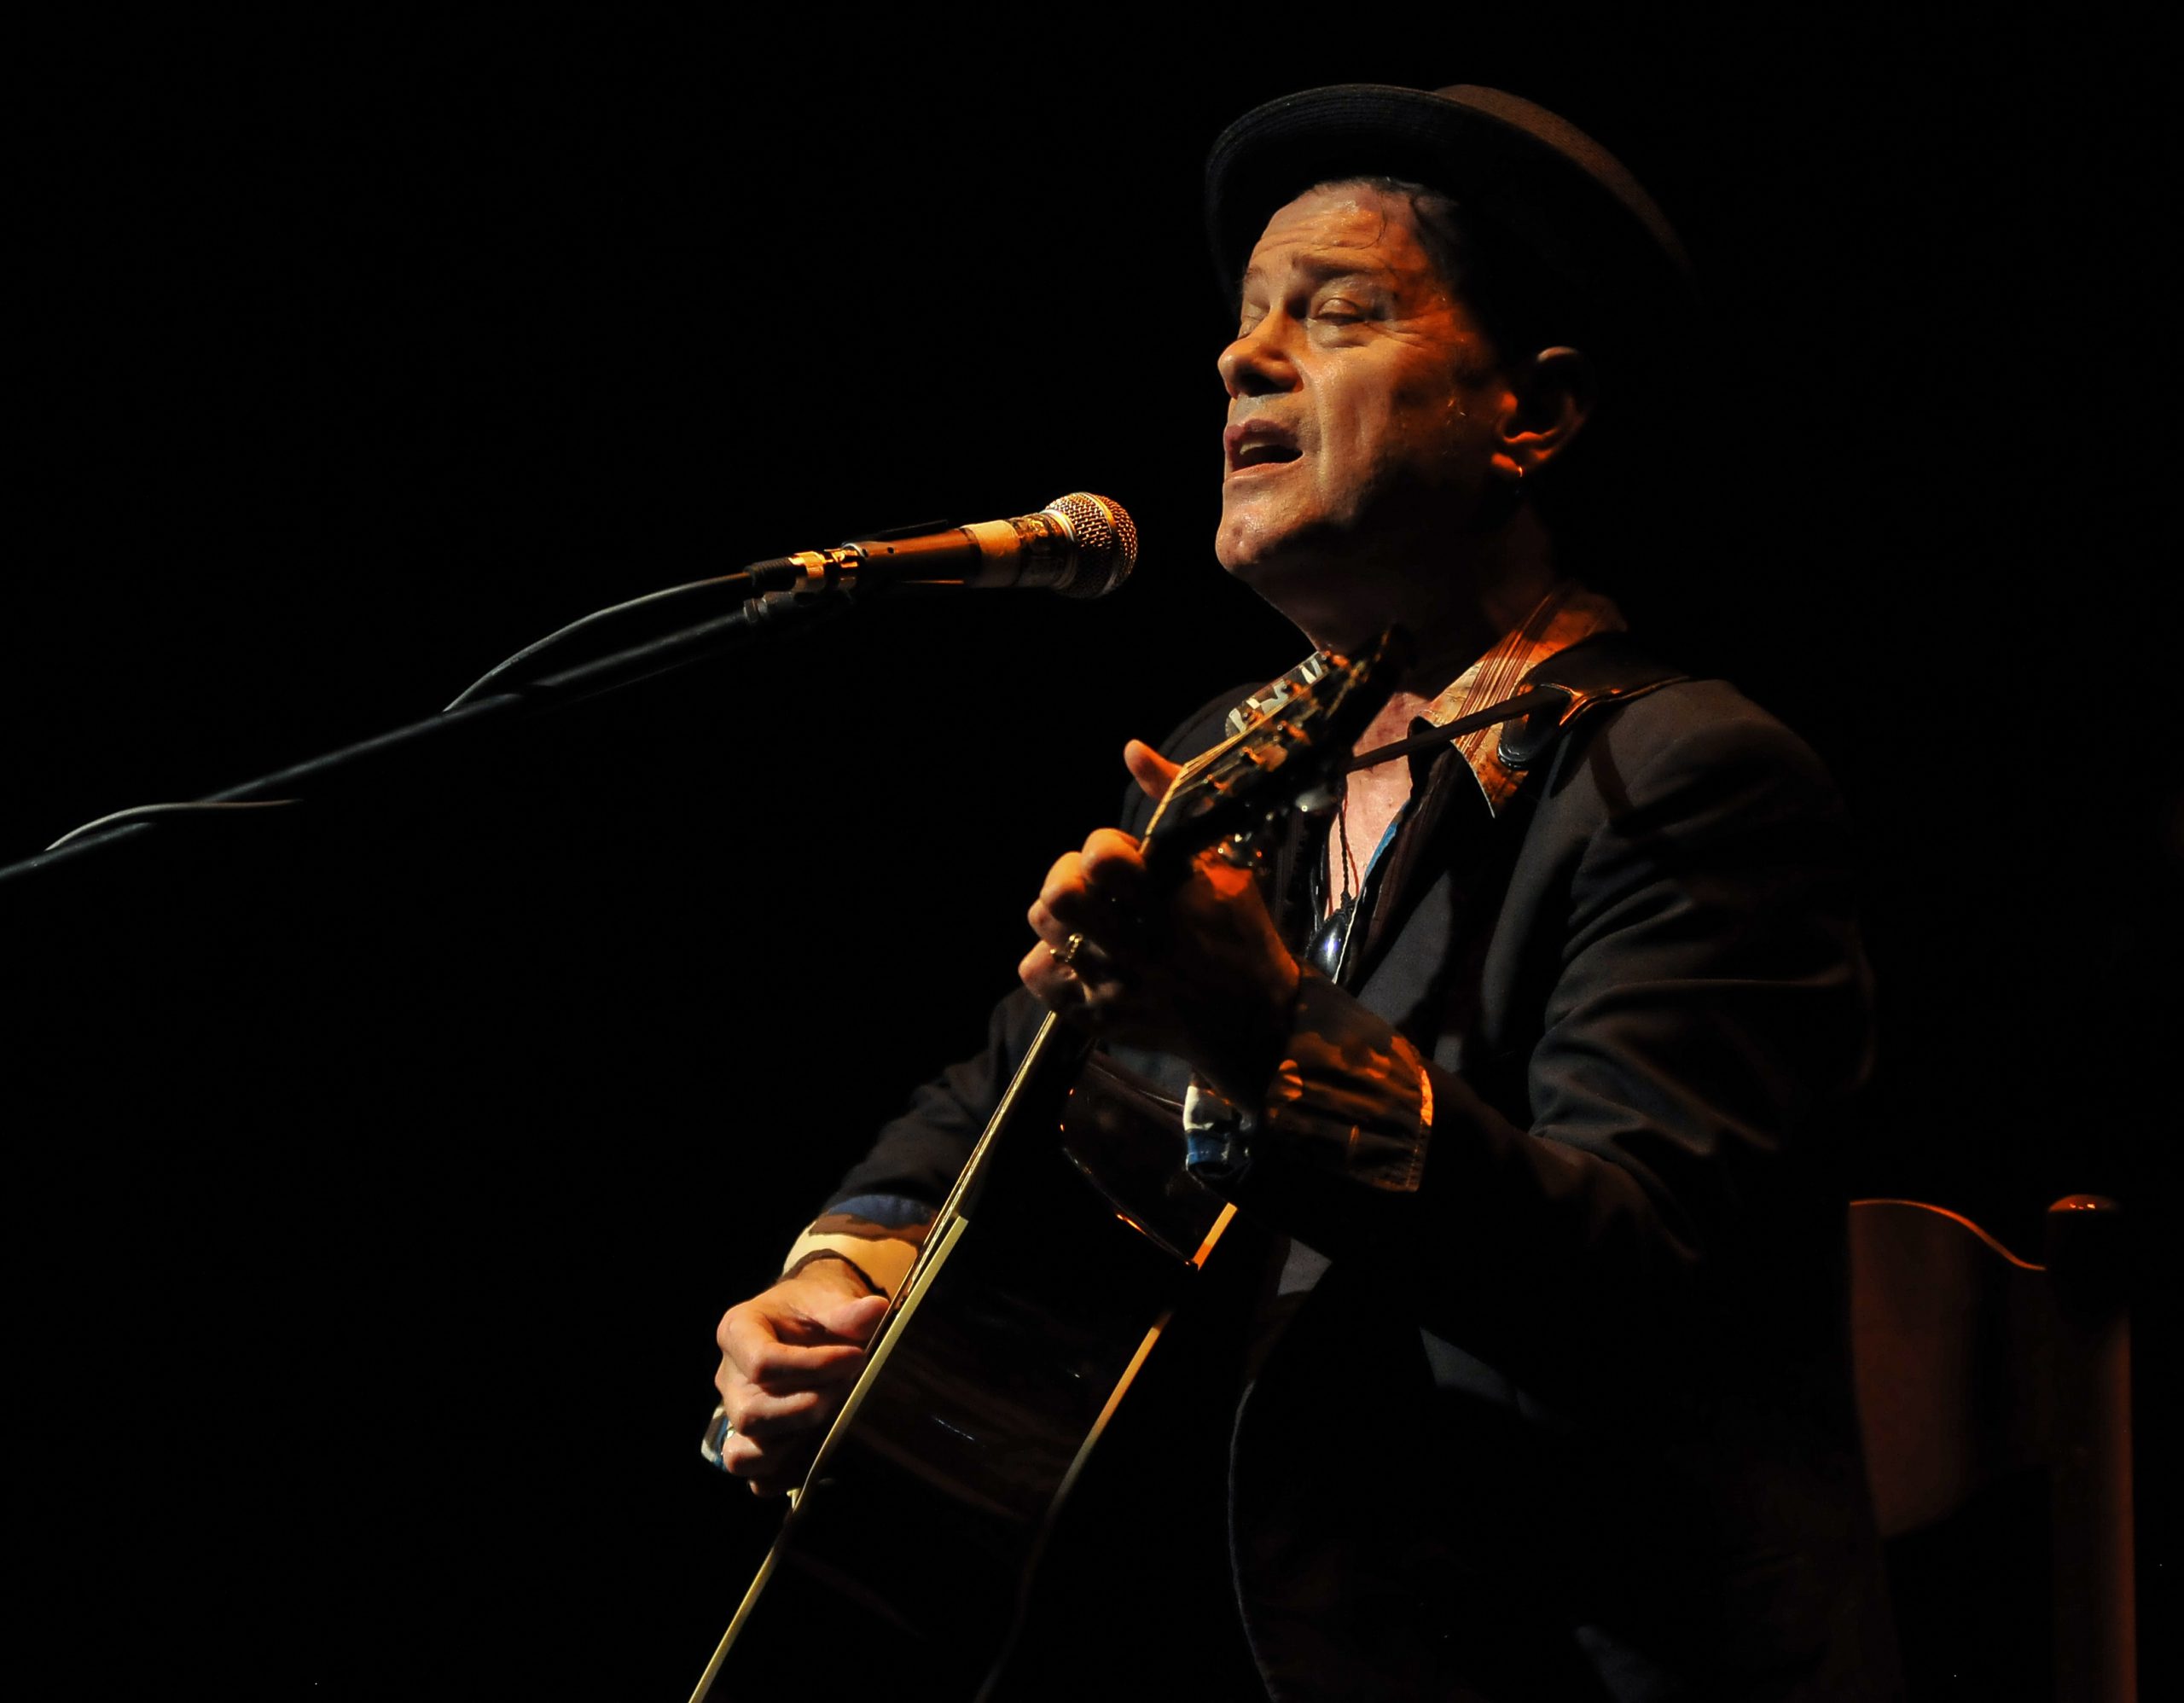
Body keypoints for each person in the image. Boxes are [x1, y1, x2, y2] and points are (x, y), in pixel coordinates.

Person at [710, 83, 1902, 1700]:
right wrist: (836, 1276)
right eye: (1246, 319)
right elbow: (995, 1096)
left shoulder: (1687, 772)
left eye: (1334, 314)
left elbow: (1642, 1284)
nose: (1241, 359)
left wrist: (1269, 1037)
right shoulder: (1234, 764)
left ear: (1534, 413)